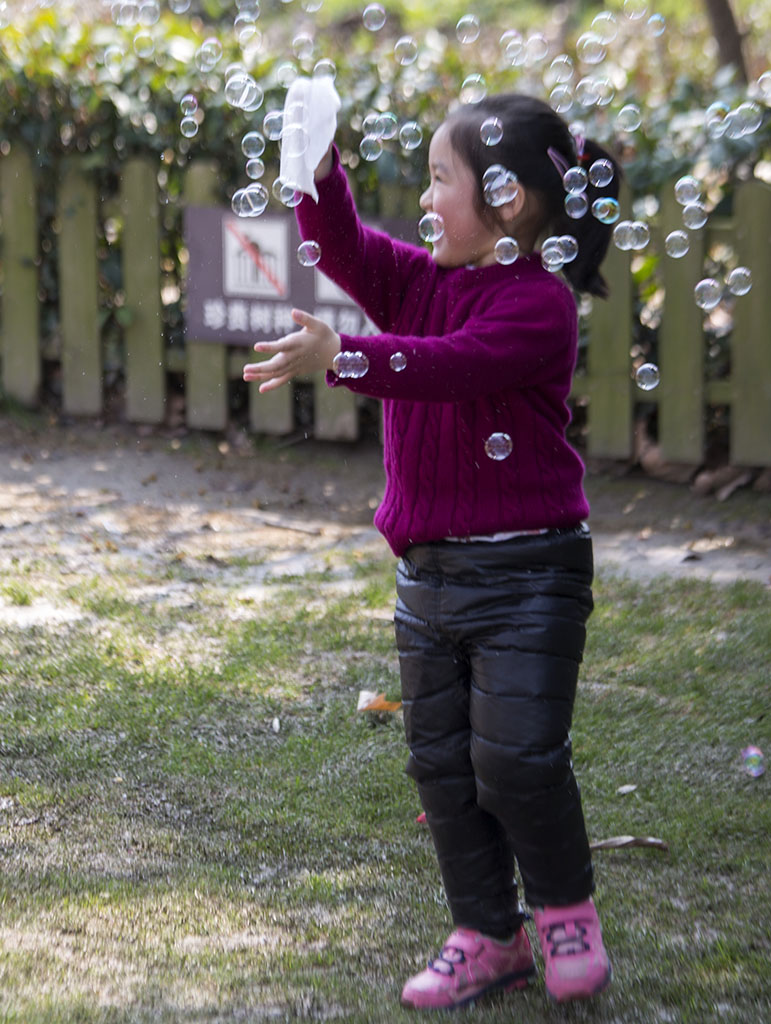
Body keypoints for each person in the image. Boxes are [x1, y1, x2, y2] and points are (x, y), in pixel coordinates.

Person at [244, 92, 620, 1011]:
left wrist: (346, 354)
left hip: (532, 574)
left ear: (510, 200)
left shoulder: (539, 305)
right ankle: (488, 934)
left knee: (519, 759)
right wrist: (316, 168)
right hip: (429, 579)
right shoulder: (424, 278)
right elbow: (341, 249)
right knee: (445, 767)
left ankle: (566, 911)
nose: (424, 198)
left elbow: (445, 366)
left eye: (440, 179)